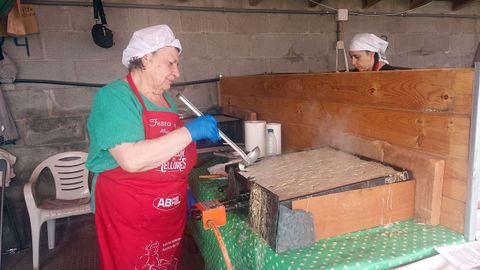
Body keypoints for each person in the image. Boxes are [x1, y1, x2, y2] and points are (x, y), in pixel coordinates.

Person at [85, 24, 221, 270]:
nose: (177, 72)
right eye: (171, 63)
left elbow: (170, 152)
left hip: (168, 210)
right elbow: (132, 159)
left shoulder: (167, 100)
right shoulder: (115, 97)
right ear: (146, 59)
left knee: (165, 264)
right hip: (129, 213)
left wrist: (183, 190)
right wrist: (189, 131)